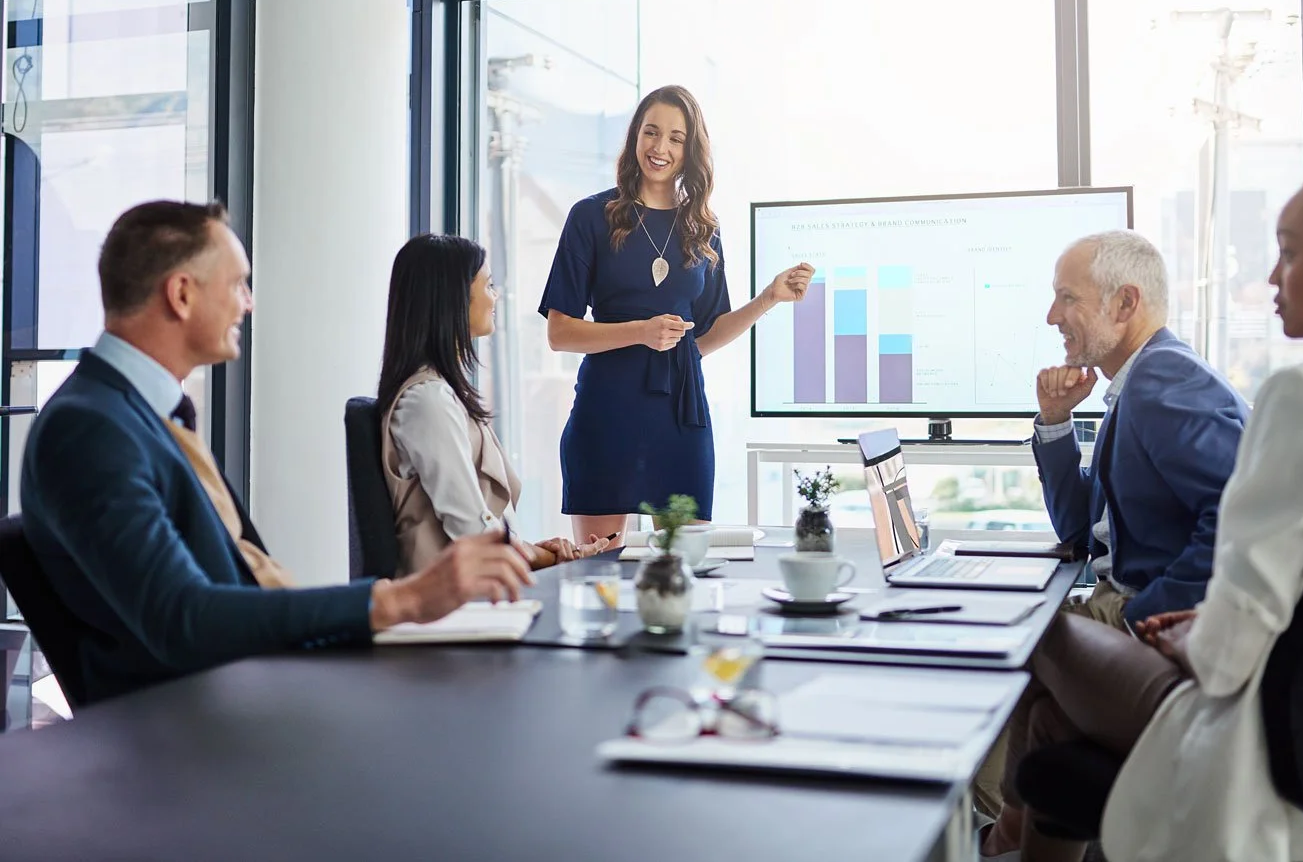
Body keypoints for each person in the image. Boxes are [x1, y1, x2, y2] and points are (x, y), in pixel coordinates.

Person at [999, 107, 1303, 862]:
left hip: (1265, 738)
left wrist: (1177, 624)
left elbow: (1228, 656)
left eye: (1290, 252)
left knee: (1041, 629)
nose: (1270, 275)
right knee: (1051, 728)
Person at [20, 201, 534, 705]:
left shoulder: (146, 413)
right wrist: (402, 599)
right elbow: (182, 619)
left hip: (245, 685)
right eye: (238, 284)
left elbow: (230, 580)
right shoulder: (90, 429)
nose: (249, 302)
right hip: (190, 724)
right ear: (181, 294)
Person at [976, 230, 1249, 840]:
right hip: (1126, 598)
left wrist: (1142, 616)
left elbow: (1240, 512)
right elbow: (1081, 527)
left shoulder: (1163, 384)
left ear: (1125, 304)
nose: (1052, 317)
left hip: (1154, 616)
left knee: (1012, 646)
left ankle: (991, 834)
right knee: (1044, 716)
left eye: (1067, 298)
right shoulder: (1137, 384)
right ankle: (1003, 838)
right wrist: (1054, 424)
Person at [539, 85, 813, 544]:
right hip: (607, 412)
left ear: (690, 151)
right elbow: (560, 333)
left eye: (675, 138)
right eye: (651, 132)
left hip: (682, 417)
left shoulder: (701, 228)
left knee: (685, 568)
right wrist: (641, 332)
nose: (659, 148)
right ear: (635, 138)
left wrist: (768, 297)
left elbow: (702, 337)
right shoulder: (590, 217)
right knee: (600, 572)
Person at [376, 233, 607, 574]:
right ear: (452, 298)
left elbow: (482, 527)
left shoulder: (442, 395)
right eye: (488, 286)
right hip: (450, 607)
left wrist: (535, 550)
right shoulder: (427, 402)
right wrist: (548, 557)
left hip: (475, 594)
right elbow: (472, 532)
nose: (496, 296)